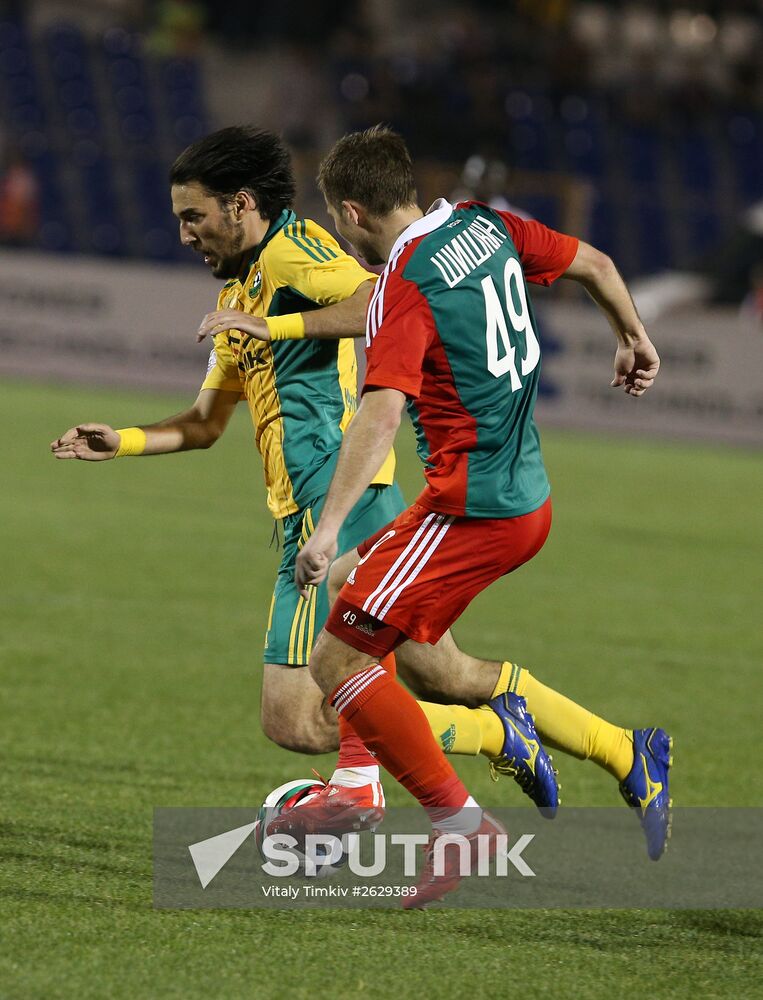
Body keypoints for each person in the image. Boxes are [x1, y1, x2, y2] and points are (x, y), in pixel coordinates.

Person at [50, 127, 664, 857]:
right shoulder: (238, 291)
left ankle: (432, 772)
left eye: (192, 216)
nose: (183, 233)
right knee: (448, 675)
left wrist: (274, 325)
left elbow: (378, 297)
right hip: (308, 515)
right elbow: (206, 424)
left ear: (240, 205)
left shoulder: (293, 253)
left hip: (343, 511)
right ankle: (619, 750)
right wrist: (117, 440)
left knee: (301, 714)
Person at [273, 124, 669, 907]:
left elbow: (381, 414)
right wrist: (632, 335)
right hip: (510, 494)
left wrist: (324, 528)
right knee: (371, 605)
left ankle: (459, 825)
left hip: (471, 512)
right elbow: (595, 263)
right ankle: (623, 751)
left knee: (336, 663)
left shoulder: (404, 284)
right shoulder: (482, 225)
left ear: (352, 214)